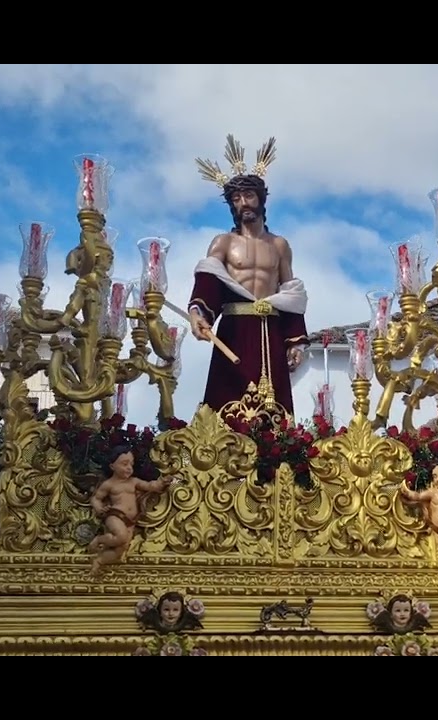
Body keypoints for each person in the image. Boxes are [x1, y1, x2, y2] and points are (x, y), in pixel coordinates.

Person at [188, 135, 310, 416]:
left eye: (249, 196)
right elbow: (208, 280)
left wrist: (296, 341)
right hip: (234, 329)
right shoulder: (224, 243)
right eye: (237, 198)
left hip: (270, 329)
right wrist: (198, 313)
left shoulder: (279, 245)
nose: (243, 202)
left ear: (261, 199)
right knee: (227, 401)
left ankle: (276, 451)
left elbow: (290, 294)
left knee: (272, 408)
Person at [87, 446, 171, 576]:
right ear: (112, 466)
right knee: (120, 537)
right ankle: (99, 540)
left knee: (120, 550)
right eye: (124, 464)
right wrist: (99, 508)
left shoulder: (134, 481)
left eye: (131, 464)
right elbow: (96, 498)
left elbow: (149, 486)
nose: (129, 468)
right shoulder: (109, 484)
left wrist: (161, 483)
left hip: (131, 521)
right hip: (115, 516)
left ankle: (100, 561)